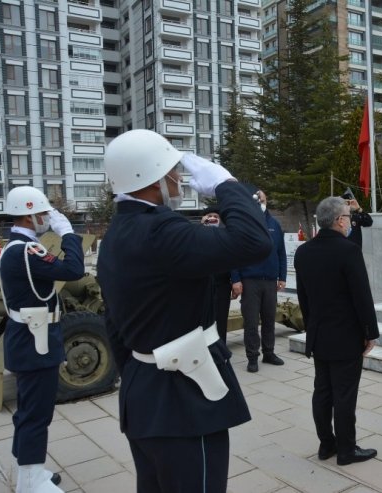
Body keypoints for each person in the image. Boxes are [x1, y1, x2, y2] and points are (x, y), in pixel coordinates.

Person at [97, 129, 272, 493]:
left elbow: (113, 321)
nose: (178, 177)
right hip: (184, 400)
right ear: (153, 178)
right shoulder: (162, 230)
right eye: (172, 170)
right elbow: (254, 242)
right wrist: (226, 185)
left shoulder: (117, 233)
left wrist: (141, 372)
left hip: (144, 394)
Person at [0, 186, 84, 493]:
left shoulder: (20, 248)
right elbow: (73, 269)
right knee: (36, 413)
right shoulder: (26, 250)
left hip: (31, 339)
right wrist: (68, 234)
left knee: (30, 411)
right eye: (44, 213)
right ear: (30, 214)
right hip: (34, 342)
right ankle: (32, 480)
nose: (49, 218)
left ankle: (29, 474)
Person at [294, 196, 380, 466]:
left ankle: (326, 444)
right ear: (340, 220)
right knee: (343, 394)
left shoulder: (304, 251)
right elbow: (361, 296)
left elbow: (304, 298)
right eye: (348, 217)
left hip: (320, 334)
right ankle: (346, 449)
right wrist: (370, 331)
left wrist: (312, 328)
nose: (350, 221)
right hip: (345, 335)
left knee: (323, 391)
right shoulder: (348, 250)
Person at [231, 190, 287, 373]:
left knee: (270, 319)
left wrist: (282, 277)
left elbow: (281, 253)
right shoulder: (243, 224)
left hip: (270, 281)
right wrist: (236, 279)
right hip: (250, 281)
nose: (259, 202)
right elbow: (235, 254)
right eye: (256, 199)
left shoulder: (274, 225)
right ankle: (252, 357)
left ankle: (269, 353)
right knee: (251, 321)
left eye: (261, 199)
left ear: (266, 201)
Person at [200, 206, 233, 341]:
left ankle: (222, 349)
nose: (213, 218)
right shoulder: (198, 233)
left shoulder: (226, 234)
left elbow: (233, 258)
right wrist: (202, 226)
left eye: (216, 216)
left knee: (221, 318)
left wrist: (235, 280)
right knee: (203, 319)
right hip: (203, 284)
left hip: (222, 284)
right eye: (209, 216)